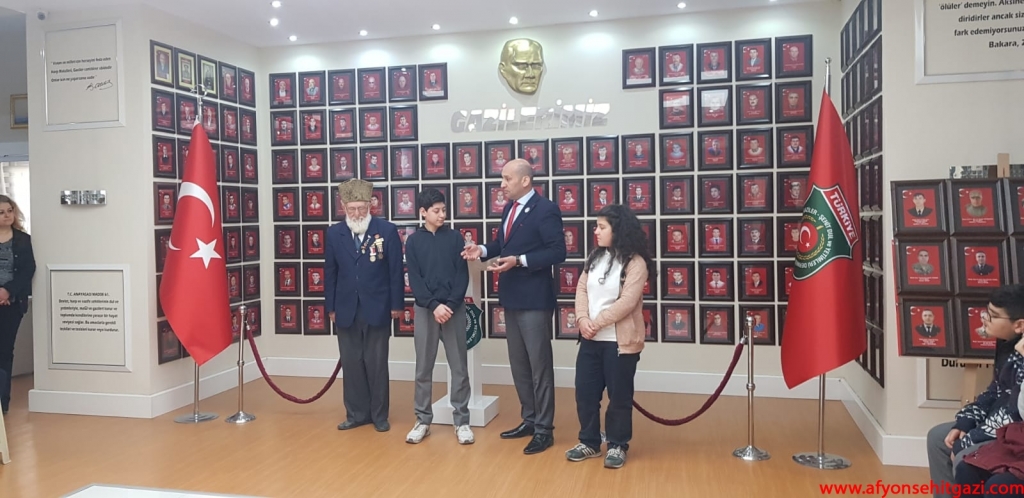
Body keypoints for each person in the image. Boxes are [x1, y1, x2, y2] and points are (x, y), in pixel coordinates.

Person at [462, 159, 567, 455]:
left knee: (539, 366)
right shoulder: (509, 208)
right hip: (511, 297)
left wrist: (519, 261)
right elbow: (503, 244)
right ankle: (529, 419)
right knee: (519, 365)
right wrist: (482, 250)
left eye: (507, 178)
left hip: (534, 299)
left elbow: (558, 251)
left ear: (525, 180)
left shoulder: (546, 209)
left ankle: (544, 430)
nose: (501, 184)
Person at [563, 204, 652, 469]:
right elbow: (581, 290)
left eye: (602, 227)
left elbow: (627, 302)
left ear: (618, 230)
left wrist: (596, 323)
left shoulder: (636, 263)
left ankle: (617, 444)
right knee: (585, 394)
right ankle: (589, 442)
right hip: (590, 340)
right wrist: (582, 320)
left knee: (619, 398)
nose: (596, 231)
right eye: (597, 226)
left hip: (619, 344)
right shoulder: (595, 257)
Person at [926, 285, 1024, 498]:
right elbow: (994, 392)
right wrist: (966, 421)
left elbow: (1014, 414)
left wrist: (971, 438)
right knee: (937, 438)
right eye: (987, 311)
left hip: (1014, 434)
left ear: (1019, 325)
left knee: (965, 455)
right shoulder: (1006, 343)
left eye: (993, 316)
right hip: (996, 425)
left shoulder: (1021, 355)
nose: (985, 319)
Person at [325, 179, 404, 433]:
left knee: (377, 363)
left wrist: (396, 305)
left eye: (361, 208)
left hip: (378, 306)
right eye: (352, 209)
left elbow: (395, 271)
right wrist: (331, 307)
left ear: (370, 206)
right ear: (343, 207)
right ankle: (356, 414)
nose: (357, 213)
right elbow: (330, 273)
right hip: (346, 307)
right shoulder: (334, 233)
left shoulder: (386, 231)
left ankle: (379, 415)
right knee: (351, 363)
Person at [403, 188, 474, 445]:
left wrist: (450, 305)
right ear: (423, 212)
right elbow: (415, 279)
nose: (442, 215)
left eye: (444, 210)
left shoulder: (455, 238)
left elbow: (462, 275)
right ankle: (423, 420)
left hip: (453, 309)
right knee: (424, 366)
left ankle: (461, 421)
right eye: (436, 211)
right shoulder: (413, 242)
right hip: (426, 310)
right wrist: (434, 306)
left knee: (459, 367)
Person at [0, 195, 35, 414]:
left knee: (5, 351)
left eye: (9, 211)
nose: (7, 215)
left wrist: (7, 291)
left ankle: (3, 401)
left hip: (12, 304)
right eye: (1, 212)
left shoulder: (23, 240)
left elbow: (28, 270)